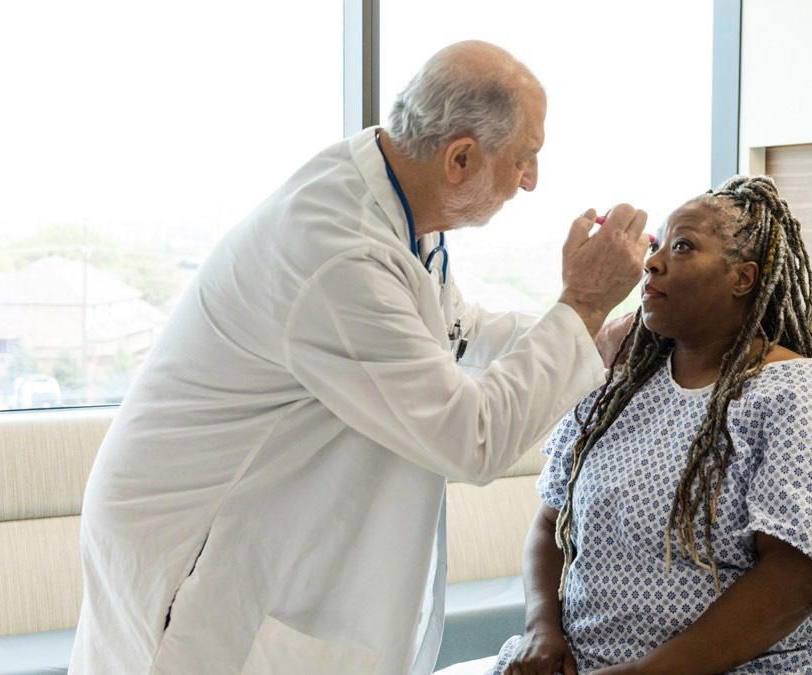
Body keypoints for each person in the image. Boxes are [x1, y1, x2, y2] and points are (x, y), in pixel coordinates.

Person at [70, 41, 649, 675]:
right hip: (195, 549)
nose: (531, 180)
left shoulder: (397, 200)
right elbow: (471, 438)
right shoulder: (338, 251)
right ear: (460, 157)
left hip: (245, 523)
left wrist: (593, 341)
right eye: (524, 158)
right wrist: (583, 303)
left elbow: (451, 330)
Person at [490, 176, 812, 675]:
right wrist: (542, 631)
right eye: (656, 246)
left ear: (743, 278)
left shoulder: (800, 393)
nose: (652, 262)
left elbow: (796, 582)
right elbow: (552, 523)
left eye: (682, 247)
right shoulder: (617, 388)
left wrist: (646, 674)